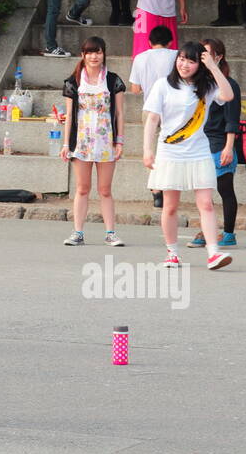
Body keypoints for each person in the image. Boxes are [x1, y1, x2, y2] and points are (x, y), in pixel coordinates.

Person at [141, 41, 235, 270]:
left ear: (199, 65)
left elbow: (228, 95)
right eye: (181, 59)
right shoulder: (163, 85)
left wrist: (213, 67)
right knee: (170, 206)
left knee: (206, 203)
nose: (184, 64)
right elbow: (152, 119)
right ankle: (172, 253)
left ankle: (213, 253)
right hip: (170, 151)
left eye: (191, 61)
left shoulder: (207, 86)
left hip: (199, 151)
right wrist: (147, 149)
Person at [59, 36, 127, 248]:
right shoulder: (73, 81)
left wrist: (120, 142)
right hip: (82, 141)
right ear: (83, 55)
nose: (94, 56)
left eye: (98, 52)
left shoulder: (113, 80)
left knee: (105, 189)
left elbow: (119, 113)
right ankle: (78, 232)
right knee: (82, 188)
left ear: (104, 54)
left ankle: (111, 233)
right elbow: (69, 115)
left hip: (106, 140)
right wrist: (65, 144)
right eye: (90, 52)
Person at [188, 38, 242, 250]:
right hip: (201, 144)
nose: (203, 59)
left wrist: (228, 147)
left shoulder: (229, 85)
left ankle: (228, 233)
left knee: (225, 190)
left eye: (207, 55)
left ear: (218, 57)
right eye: (201, 55)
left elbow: (232, 118)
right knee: (203, 193)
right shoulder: (200, 84)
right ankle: (208, 230)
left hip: (220, 144)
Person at [129, 24, 178, 209]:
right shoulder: (176, 56)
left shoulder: (140, 58)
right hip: (172, 109)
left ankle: (156, 191)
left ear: (150, 42)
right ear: (170, 41)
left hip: (149, 108)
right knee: (168, 150)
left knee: (151, 151)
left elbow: (135, 89)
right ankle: (165, 189)